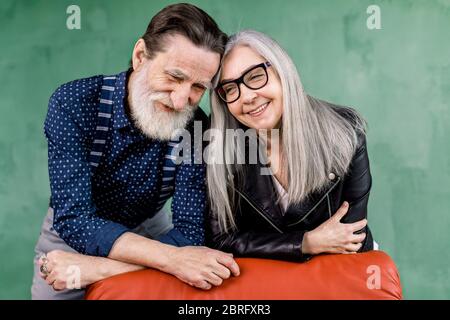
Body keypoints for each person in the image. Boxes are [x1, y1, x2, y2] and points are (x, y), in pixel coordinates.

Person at [32, 3, 239, 300]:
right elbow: (74, 218)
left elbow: (190, 233)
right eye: (175, 77)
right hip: (71, 237)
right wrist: (170, 260)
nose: (182, 101)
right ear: (141, 55)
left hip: (152, 228)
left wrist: (98, 268)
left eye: (198, 87)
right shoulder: (74, 102)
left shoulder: (197, 128)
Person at [206, 30, 377, 261]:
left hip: (338, 269)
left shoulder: (345, 132)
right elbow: (222, 240)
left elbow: (351, 238)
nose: (246, 97)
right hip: (267, 278)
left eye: (255, 76)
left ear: (282, 71)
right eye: (230, 89)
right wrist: (305, 243)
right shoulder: (222, 149)